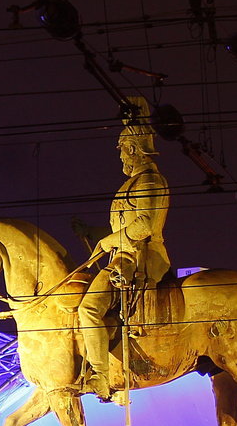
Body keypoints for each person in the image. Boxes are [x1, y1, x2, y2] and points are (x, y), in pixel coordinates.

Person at [74, 97, 172, 401]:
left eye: (123, 150)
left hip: (139, 258)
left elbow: (143, 227)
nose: (120, 157)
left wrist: (105, 242)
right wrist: (94, 233)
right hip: (123, 254)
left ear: (134, 150)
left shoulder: (150, 181)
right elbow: (121, 230)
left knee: (88, 309)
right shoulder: (133, 184)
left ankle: (101, 377)